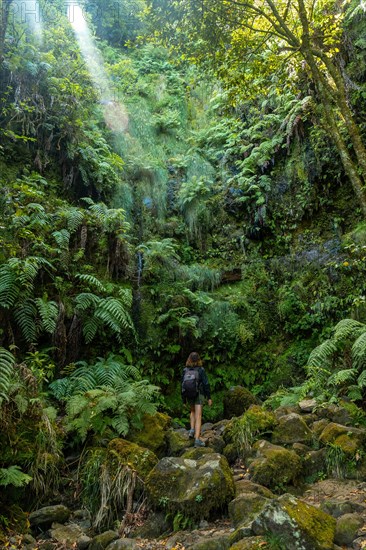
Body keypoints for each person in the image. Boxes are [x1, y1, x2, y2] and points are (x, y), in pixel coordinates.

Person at [181, 351, 212, 447]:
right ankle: (197, 440)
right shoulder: (201, 370)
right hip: (198, 394)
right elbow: (206, 384)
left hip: (189, 394)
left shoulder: (185, 370)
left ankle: (192, 430)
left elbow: (182, 385)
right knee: (198, 416)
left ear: (189, 359)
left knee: (192, 412)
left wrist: (183, 399)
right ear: (199, 360)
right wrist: (209, 397)